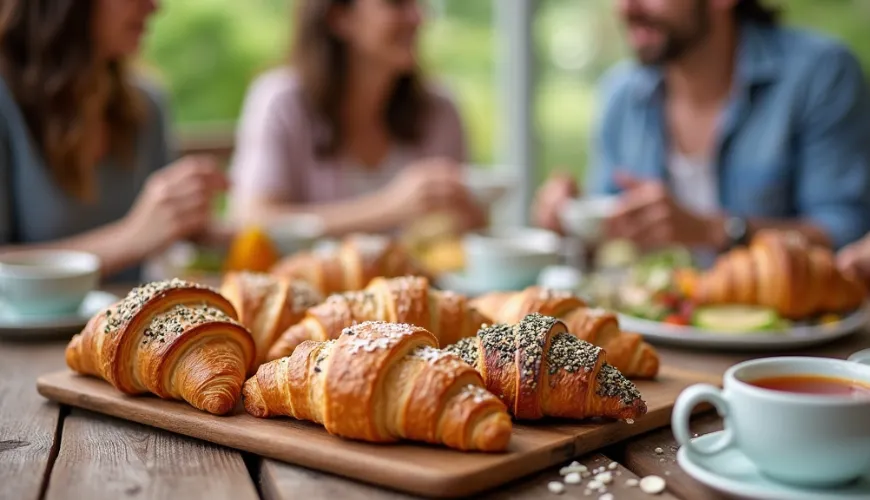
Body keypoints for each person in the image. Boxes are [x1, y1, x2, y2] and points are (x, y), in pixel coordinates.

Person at [534, 0, 870, 254]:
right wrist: (571, 221)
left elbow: (846, 234)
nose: (627, 8)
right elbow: (612, 244)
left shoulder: (821, 74)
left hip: (791, 342)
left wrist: (713, 231)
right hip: (665, 336)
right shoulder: (621, 95)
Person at [0, 0, 228, 281]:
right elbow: (143, 232)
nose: (153, 7)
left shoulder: (147, 105)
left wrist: (193, 219)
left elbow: (165, 235)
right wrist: (130, 238)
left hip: (130, 323)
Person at [227, 0, 484, 236]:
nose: (418, 17)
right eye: (396, 3)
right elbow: (251, 221)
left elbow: (466, 234)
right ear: (339, 18)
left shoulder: (441, 110)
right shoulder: (281, 101)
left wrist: (470, 216)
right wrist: (389, 207)